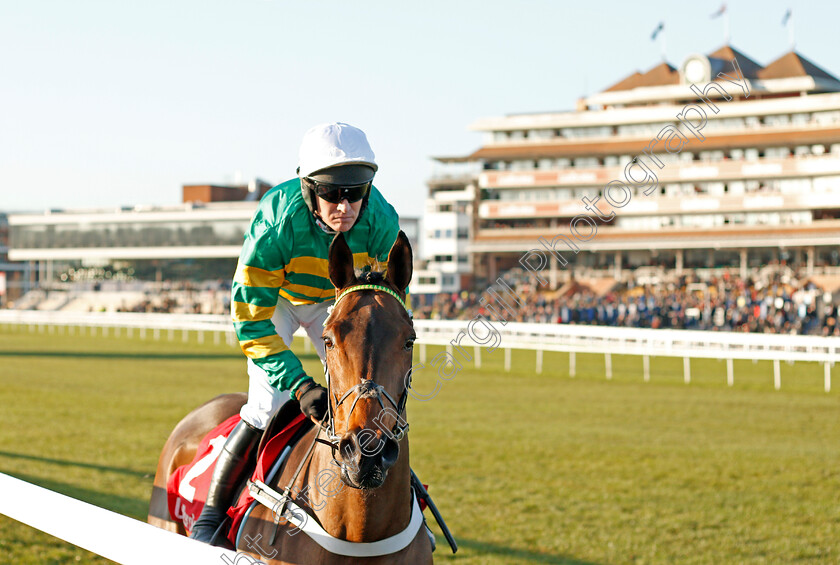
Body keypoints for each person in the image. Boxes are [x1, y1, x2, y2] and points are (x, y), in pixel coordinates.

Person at [190, 122, 403, 543]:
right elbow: (250, 319)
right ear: (308, 188)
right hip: (278, 303)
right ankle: (212, 517)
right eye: (331, 193)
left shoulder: (382, 220)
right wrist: (301, 384)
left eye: (355, 191)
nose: (344, 206)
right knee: (267, 404)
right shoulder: (275, 222)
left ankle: (403, 504)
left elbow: (390, 303)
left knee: (374, 402)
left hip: (336, 303)